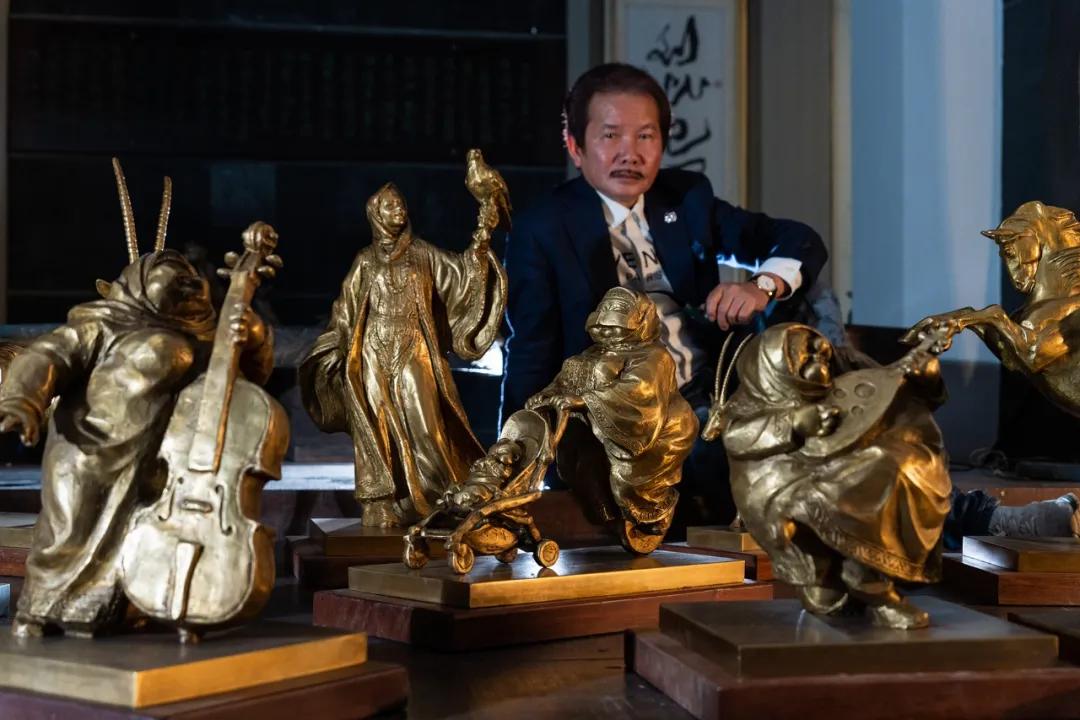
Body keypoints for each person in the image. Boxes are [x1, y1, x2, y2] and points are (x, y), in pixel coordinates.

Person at [501, 62, 827, 524]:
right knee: (737, 470)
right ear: (575, 146)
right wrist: (516, 460)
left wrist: (760, 286)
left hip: (706, 393)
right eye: (610, 136)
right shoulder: (543, 228)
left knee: (818, 410)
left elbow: (798, 241)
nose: (629, 153)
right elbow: (530, 351)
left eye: (645, 136)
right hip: (621, 419)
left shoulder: (685, 198)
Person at [299, 182, 507, 527]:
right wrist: (337, 345)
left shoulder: (423, 253)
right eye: (390, 206)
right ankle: (380, 501)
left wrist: (481, 241)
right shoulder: (365, 260)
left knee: (426, 422)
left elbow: (461, 275)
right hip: (373, 349)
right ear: (375, 214)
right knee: (375, 425)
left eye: (401, 205)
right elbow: (346, 310)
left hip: (414, 345)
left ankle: (442, 496)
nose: (399, 210)